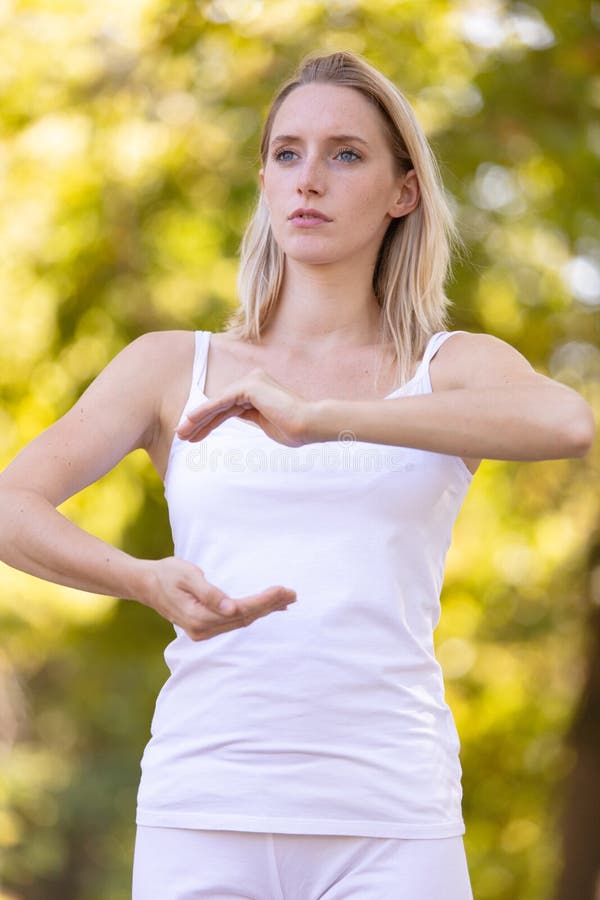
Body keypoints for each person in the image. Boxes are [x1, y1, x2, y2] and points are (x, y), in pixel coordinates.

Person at [0, 49, 594, 900]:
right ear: (267, 182)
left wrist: (321, 420)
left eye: (345, 154)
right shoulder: (176, 365)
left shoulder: (450, 367)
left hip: (391, 815)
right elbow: (11, 503)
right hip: (205, 805)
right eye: (287, 153)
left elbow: (568, 423)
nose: (308, 178)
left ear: (403, 191)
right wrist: (142, 580)